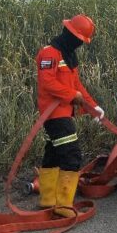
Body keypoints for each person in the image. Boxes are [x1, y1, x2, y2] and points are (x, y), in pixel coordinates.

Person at [35, 14, 105, 217]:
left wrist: (93, 106)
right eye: (79, 39)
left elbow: (77, 86)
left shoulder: (68, 56)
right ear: (70, 34)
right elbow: (48, 82)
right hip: (54, 114)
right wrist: (72, 95)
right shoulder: (50, 53)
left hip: (64, 112)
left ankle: (48, 200)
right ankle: (64, 206)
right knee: (71, 155)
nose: (80, 44)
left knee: (54, 154)